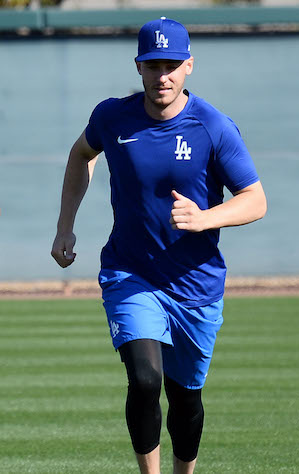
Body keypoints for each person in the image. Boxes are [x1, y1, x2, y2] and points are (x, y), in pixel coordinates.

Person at [51, 17, 267, 474]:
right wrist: (65, 225)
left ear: (189, 65)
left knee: (186, 400)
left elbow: (256, 200)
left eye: (171, 64)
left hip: (196, 286)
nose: (162, 75)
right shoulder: (112, 116)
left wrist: (205, 218)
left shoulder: (212, 126)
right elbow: (80, 155)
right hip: (130, 273)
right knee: (146, 381)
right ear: (138, 67)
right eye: (153, 65)